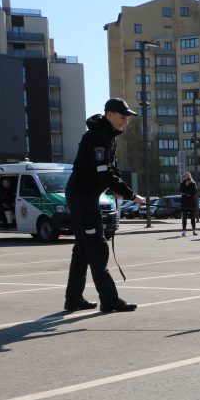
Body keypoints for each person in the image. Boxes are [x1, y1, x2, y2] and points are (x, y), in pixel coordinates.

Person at [63, 98, 146, 312]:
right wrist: (131, 195)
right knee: (97, 249)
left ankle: (73, 299)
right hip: (83, 198)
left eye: (126, 118)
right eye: (121, 117)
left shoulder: (106, 136)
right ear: (109, 114)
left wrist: (119, 188)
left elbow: (111, 170)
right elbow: (104, 172)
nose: (124, 122)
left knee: (83, 249)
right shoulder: (99, 137)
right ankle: (109, 301)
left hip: (83, 196)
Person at [179, 172, 199, 236]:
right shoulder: (182, 184)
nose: (187, 177)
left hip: (191, 202)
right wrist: (186, 185)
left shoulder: (193, 183)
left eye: (188, 176)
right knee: (184, 217)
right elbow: (182, 191)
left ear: (190, 176)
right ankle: (184, 231)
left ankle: (194, 230)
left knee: (192, 217)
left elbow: (195, 191)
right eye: (186, 176)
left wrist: (187, 193)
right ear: (184, 177)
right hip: (184, 202)